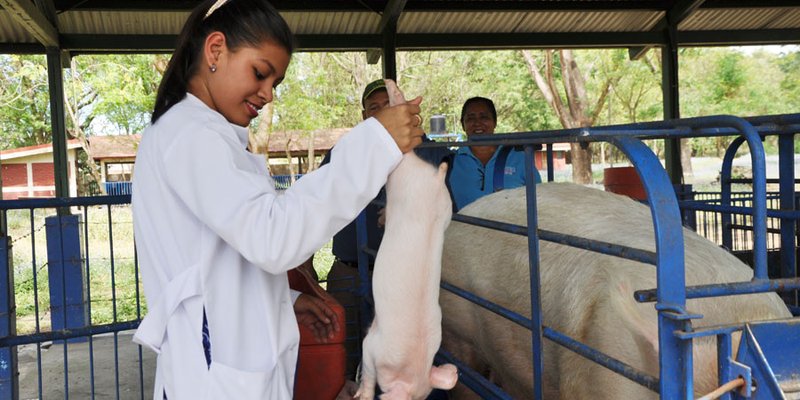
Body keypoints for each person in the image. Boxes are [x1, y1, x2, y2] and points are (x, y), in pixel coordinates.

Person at [130, 1, 425, 398]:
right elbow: (272, 237)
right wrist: (375, 144)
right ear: (215, 50)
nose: (268, 94)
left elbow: (219, 262)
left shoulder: (202, 133)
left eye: (276, 83)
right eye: (260, 73)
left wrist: (283, 301)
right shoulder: (190, 134)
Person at [318, 78, 451, 380]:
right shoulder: (345, 151)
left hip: (408, 277)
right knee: (345, 352)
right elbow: (317, 203)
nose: (381, 112)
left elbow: (443, 205)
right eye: (373, 108)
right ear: (365, 117)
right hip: (350, 272)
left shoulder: (428, 151)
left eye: (388, 105)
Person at [447, 96, 542, 211]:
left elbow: (538, 200)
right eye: (471, 118)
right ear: (463, 124)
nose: (477, 123)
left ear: (495, 122)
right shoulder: (452, 161)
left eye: (484, 117)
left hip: (511, 228)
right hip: (465, 228)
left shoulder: (519, 158)